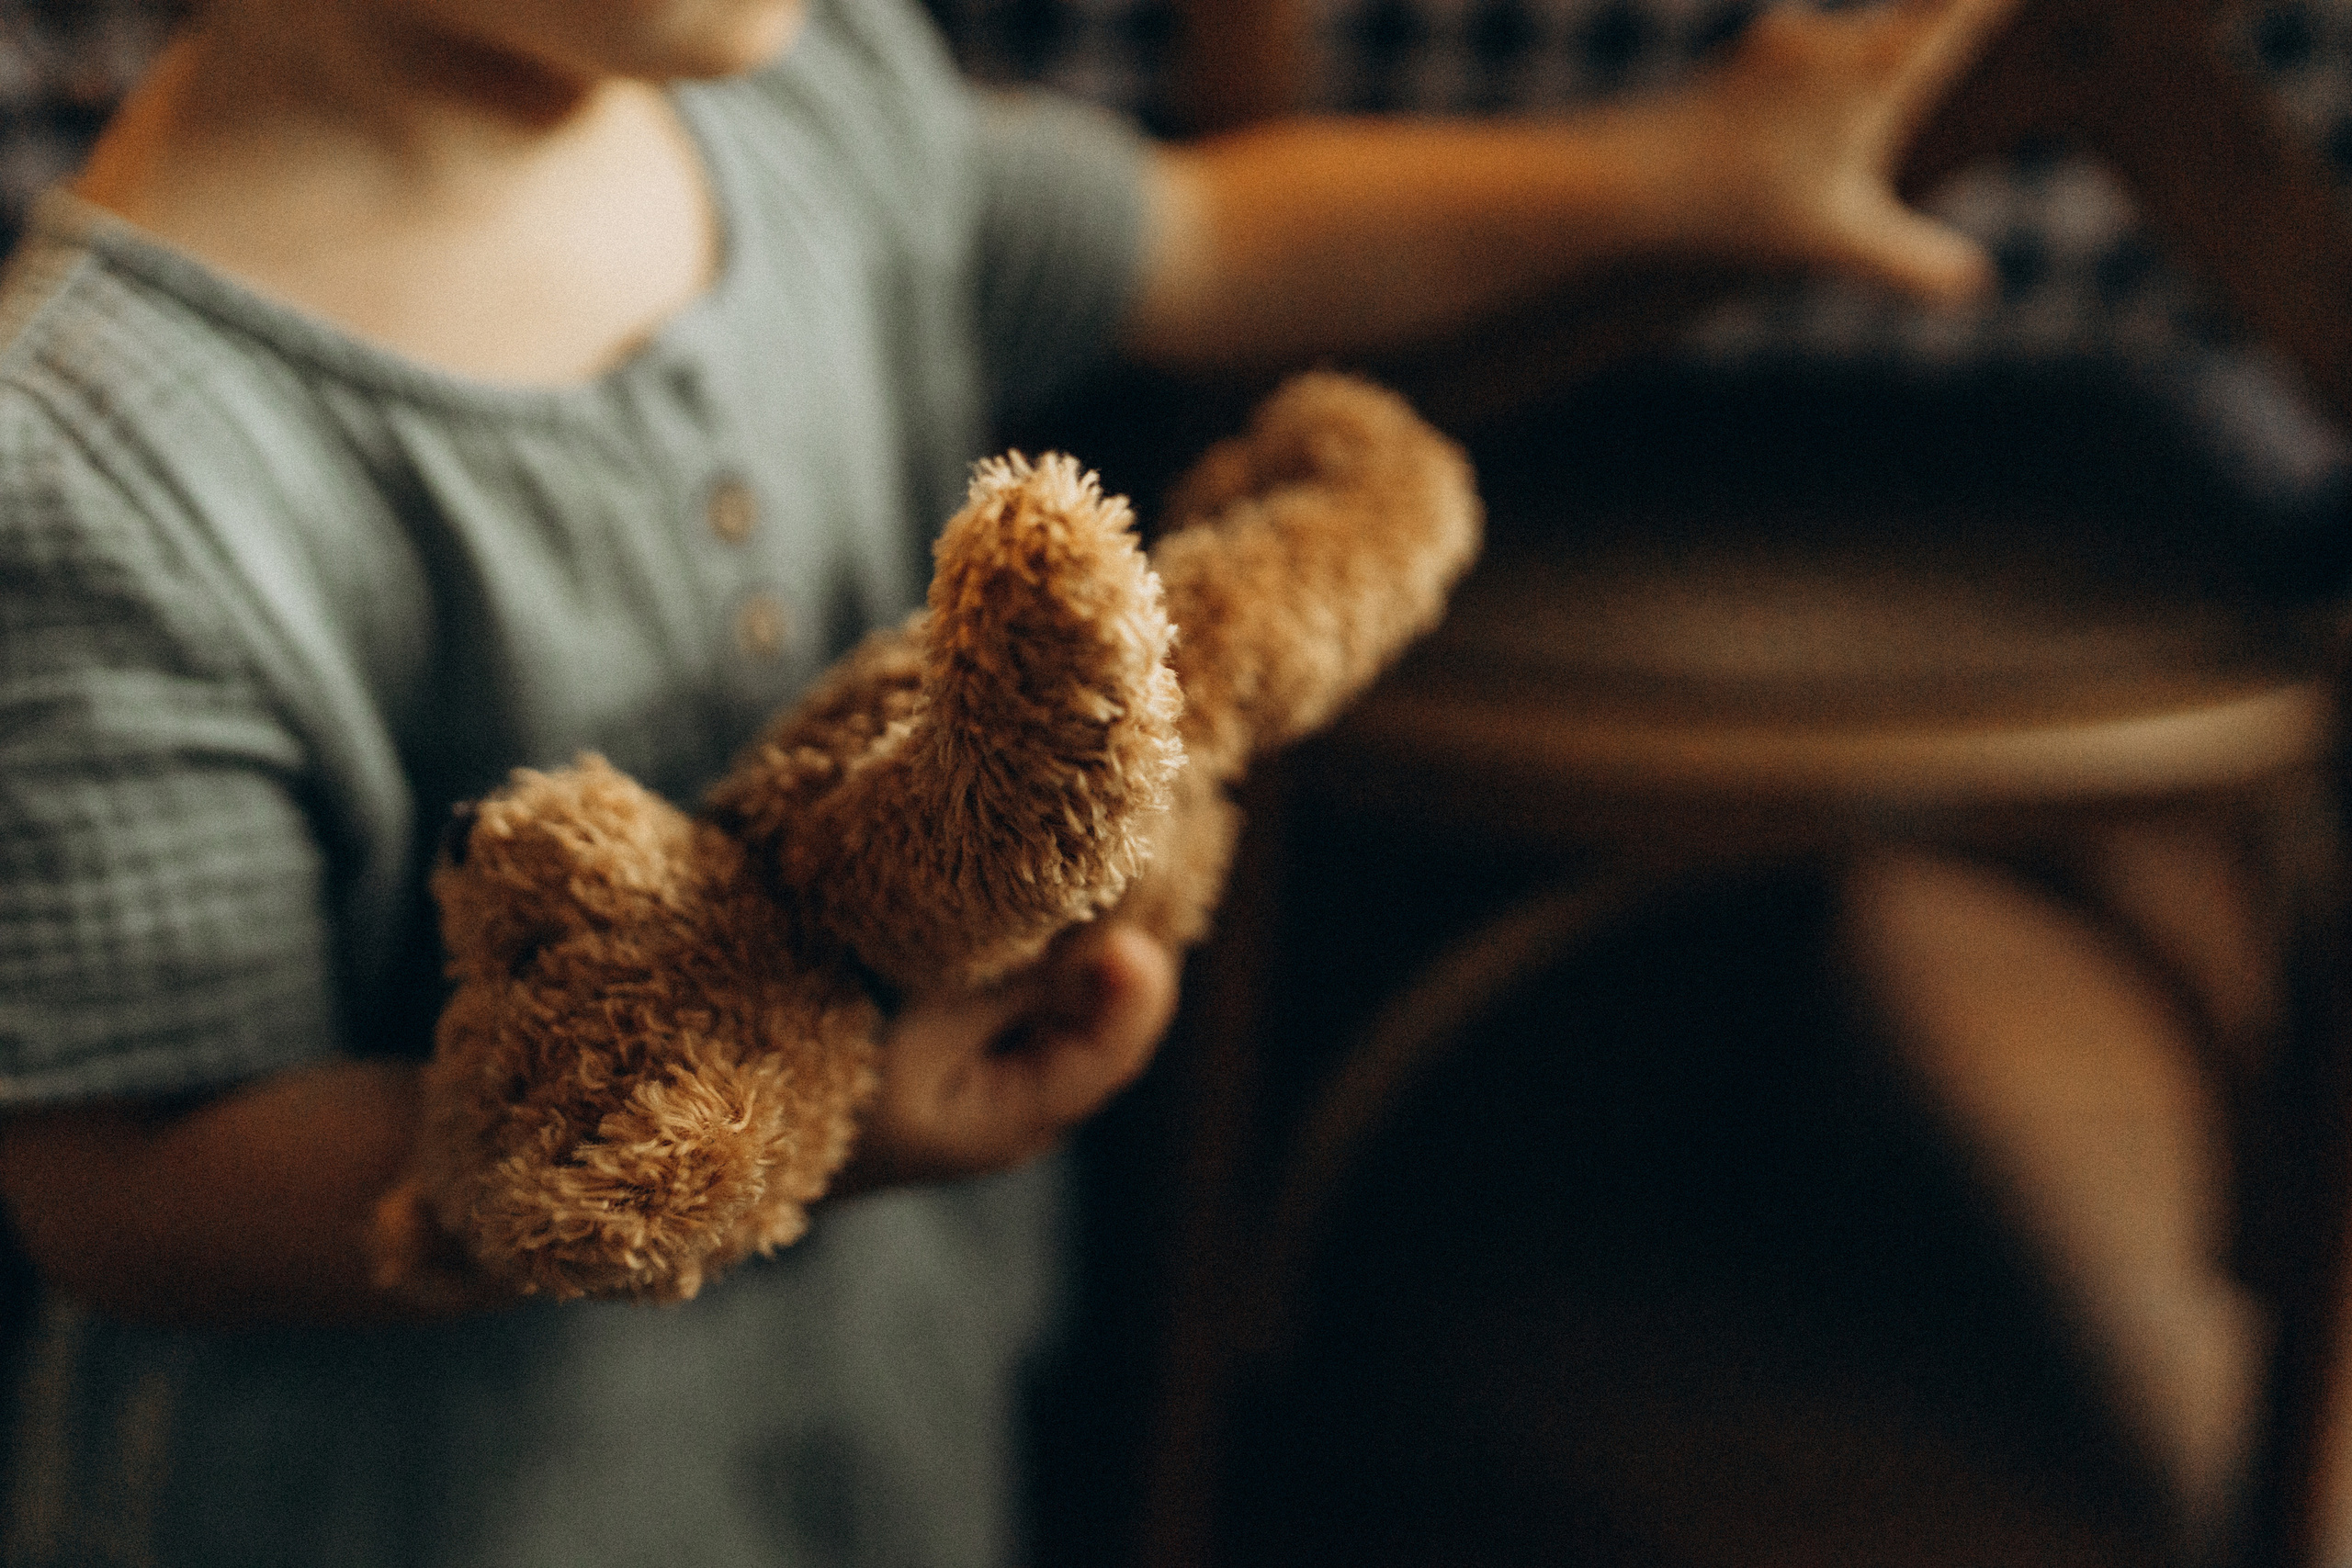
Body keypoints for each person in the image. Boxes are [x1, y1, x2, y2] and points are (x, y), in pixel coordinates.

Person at [0, 0, 2012, 1562]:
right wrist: (805, 1120)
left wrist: (1662, 174)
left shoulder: (790, 92)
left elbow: (1199, 231)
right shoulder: (93, 465)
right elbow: (123, 1181)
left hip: (858, 1423)